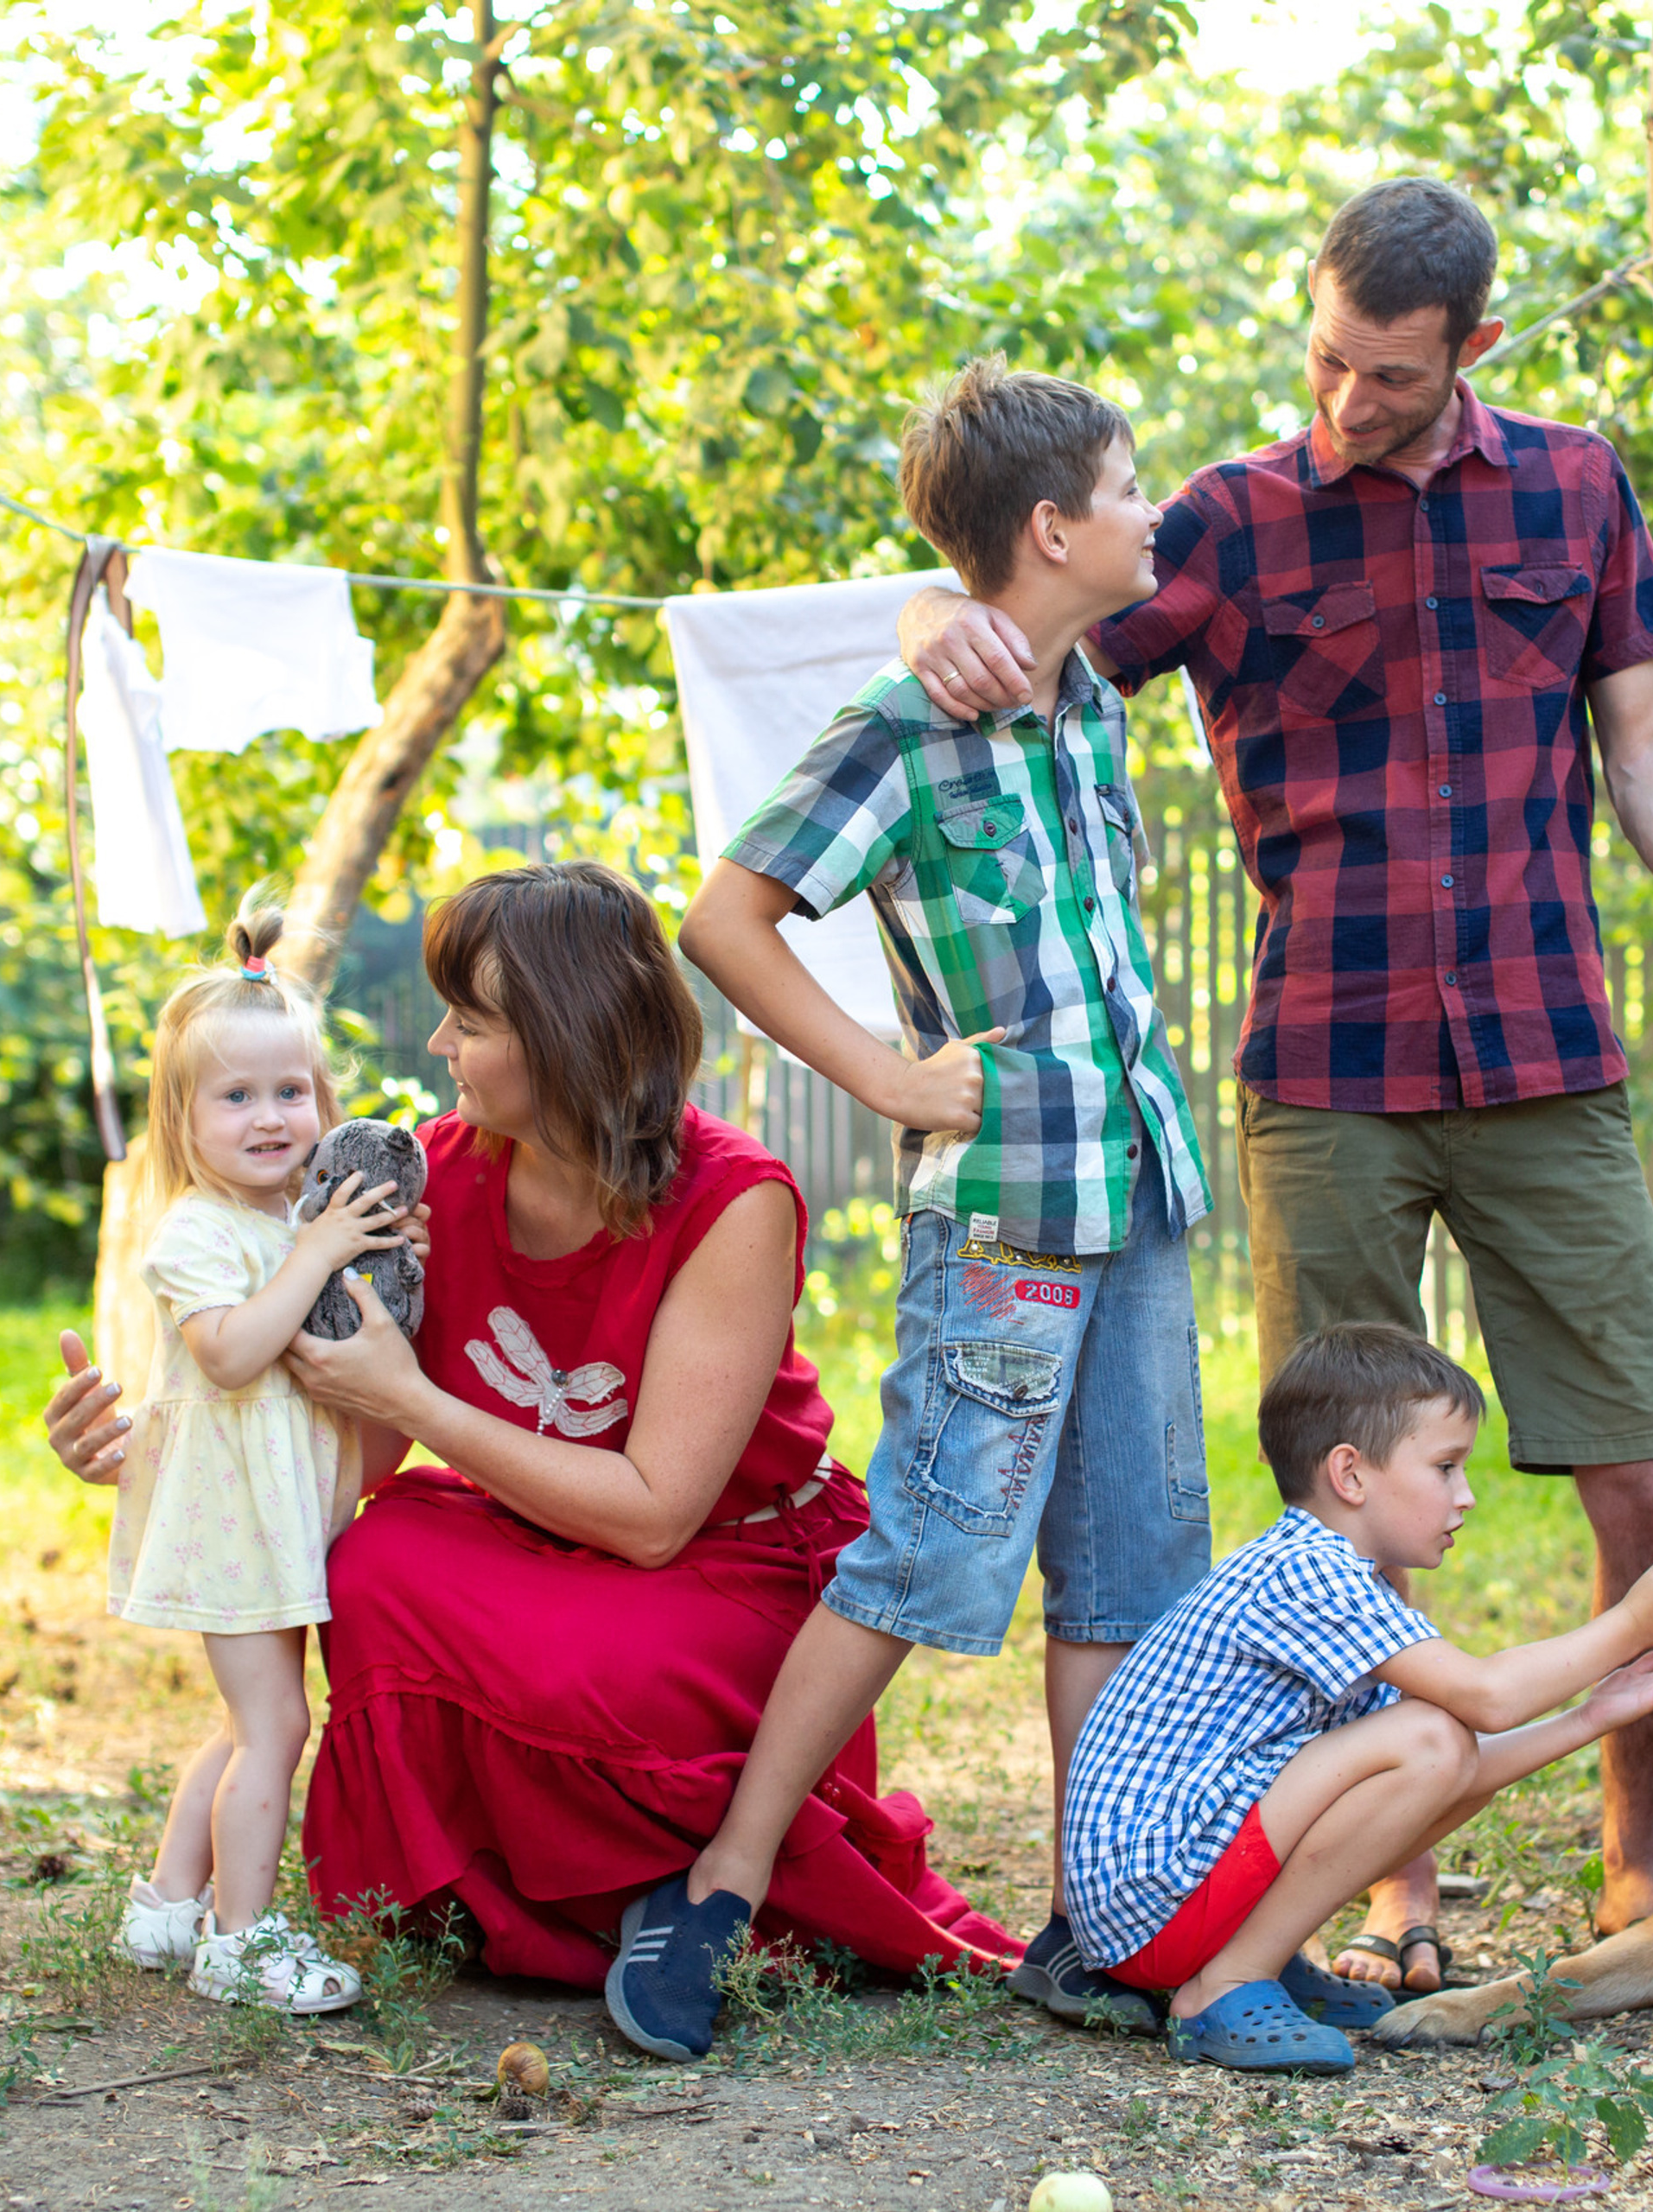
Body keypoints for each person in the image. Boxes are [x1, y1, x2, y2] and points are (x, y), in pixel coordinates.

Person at [897, 178, 1653, 1980]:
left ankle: (1628, 1851)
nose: (1346, 399)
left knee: (1647, 1483)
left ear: (1470, 352)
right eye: (1328, 358)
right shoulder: (1229, 519)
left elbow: (1639, 739)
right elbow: (1023, 624)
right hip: (1322, 1067)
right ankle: (1393, 1880)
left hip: (1540, 1050)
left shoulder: (1570, 486)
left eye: (1389, 376)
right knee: (1354, 1495)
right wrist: (920, 631)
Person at [47, 861, 1011, 1994]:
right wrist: (161, 1458)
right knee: (374, 1567)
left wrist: (414, 1399)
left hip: (728, 1563)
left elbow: (656, 1519)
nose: (442, 1048)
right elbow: (348, 1456)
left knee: (578, 1658)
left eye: (471, 1020)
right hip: (537, 1537)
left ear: (563, 1035)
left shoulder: (733, 1199)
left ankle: (659, 1891)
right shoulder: (424, 1180)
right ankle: (492, 1891)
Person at [645, 356, 1277, 2062]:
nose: (1157, 507)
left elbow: (1113, 577)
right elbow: (724, 918)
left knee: (1130, 1575)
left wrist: (950, 595)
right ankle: (715, 1884)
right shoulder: (904, 722)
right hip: (998, 1211)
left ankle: (1099, 1921)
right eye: (1129, 484)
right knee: (926, 1559)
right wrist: (881, 1070)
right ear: (1057, 524)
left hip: (1133, 1182)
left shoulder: (1089, 697)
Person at [1061, 1323, 1653, 2074]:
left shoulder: (1346, 1578)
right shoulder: (1308, 1573)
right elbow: (1482, 1701)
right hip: (1152, 1906)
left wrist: (1590, 1717)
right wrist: (1631, 1624)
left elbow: (1455, 1768)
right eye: (1446, 1467)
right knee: (1428, 1735)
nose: (1467, 1495)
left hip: (1176, 1899)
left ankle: (1261, 1951)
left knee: (1434, 1746)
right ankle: (1222, 1985)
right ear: (1351, 1476)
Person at [110, 901, 409, 2013]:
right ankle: (239, 1940)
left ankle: (167, 1905)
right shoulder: (197, 1229)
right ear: (182, 1121)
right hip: (228, 1516)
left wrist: (365, 1247)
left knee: (250, 1720)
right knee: (277, 1725)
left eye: (292, 1092)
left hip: (280, 1512)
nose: (271, 1116)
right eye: (236, 1097)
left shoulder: (295, 1218)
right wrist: (318, 1247)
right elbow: (232, 1354)